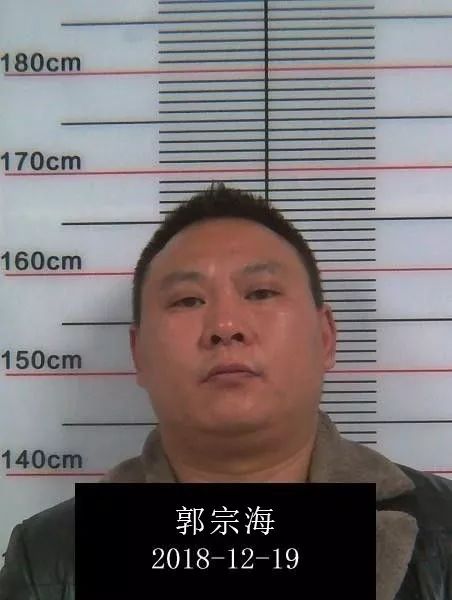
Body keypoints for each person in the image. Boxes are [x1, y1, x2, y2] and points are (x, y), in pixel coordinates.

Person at [0, 183, 451, 599]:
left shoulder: (443, 531)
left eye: (261, 292)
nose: (225, 326)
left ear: (326, 337)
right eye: (187, 300)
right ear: (139, 354)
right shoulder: (47, 560)